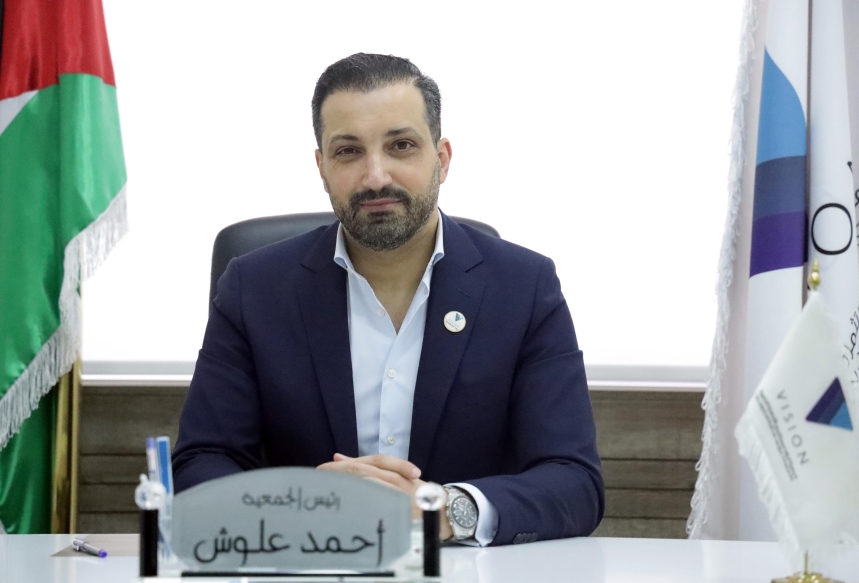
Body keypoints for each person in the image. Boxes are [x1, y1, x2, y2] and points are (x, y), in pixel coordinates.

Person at [172, 53, 604, 546]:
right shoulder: (254, 289)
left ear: (442, 158)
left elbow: (574, 482)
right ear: (321, 167)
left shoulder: (524, 286)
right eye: (348, 151)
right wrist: (297, 504)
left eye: (401, 146)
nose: (376, 176)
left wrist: (445, 510)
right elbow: (198, 466)